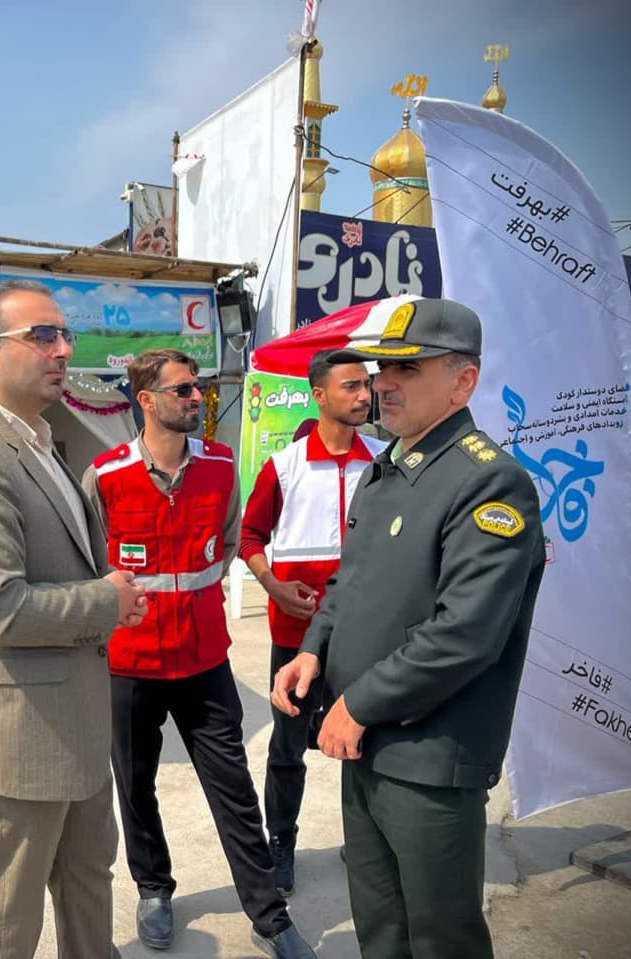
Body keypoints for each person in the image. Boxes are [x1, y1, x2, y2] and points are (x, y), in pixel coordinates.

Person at [271, 298, 545, 959]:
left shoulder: (489, 482)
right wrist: (313, 651)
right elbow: (350, 584)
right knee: (381, 930)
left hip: (427, 760)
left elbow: (464, 632)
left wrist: (358, 704)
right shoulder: (387, 468)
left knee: (440, 939)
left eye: (408, 368)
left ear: (463, 382)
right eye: (382, 368)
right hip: (362, 745)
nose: (383, 383)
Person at [0, 278, 146, 959]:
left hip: (72, 720)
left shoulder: (37, 440)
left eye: (64, 334)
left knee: (88, 882)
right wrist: (107, 602)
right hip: (14, 731)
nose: (63, 349)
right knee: (8, 913)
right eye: (42, 336)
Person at [84, 349, 317, 959]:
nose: (196, 398)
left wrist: (257, 588)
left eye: (199, 388)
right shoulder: (105, 476)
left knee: (234, 789)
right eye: (183, 389)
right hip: (130, 663)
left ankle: (269, 916)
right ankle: (154, 889)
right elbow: (90, 567)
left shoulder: (221, 465)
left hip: (205, 660)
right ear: (146, 400)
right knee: (135, 785)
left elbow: (233, 542)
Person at [239, 352, 382, 895]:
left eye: (366, 385)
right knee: (287, 748)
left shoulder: (384, 462)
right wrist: (272, 584)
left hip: (368, 633)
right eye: (351, 386)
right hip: (296, 636)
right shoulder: (285, 466)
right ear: (319, 395)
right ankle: (281, 842)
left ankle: (368, 839)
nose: (364, 395)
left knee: (369, 740)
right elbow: (249, 537)